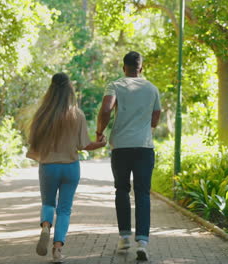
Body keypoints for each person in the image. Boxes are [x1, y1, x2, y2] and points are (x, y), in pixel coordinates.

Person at [27, 72, 106, 263]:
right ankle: (57, 250)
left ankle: (46, 226)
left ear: (51, 90)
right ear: (69, 89)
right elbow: (84, 145)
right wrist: (100, 143)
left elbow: (33, 142)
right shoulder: (76, 114)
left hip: (48, 167)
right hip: (71, 168)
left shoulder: (42, 114)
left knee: (48, 203)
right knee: (64, 210)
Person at [96, 51, 161, 261]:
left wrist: (99, 132)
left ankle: (124, 237)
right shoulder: (152, 89)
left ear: (123, 67)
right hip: (144, 147)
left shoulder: (115, 85)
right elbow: (156, 116)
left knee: (121, 190)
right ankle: (142, 243)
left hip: (121, 147)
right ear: (141, 68)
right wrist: (147, 127)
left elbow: (106, 109)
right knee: (142, 194)